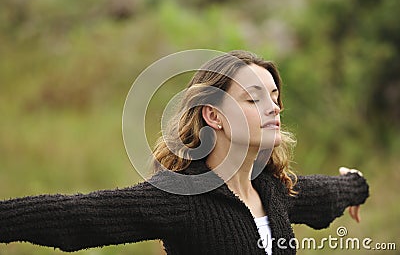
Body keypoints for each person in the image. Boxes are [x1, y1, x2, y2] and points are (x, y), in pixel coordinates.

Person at [0, 50, 369, 255]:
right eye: (254, 98)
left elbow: (329, 193)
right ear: (214, 115)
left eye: (274, 98)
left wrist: (355, 185)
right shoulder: (181, 197)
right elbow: (76, 217)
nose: (273, 108)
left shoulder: (273, 189)